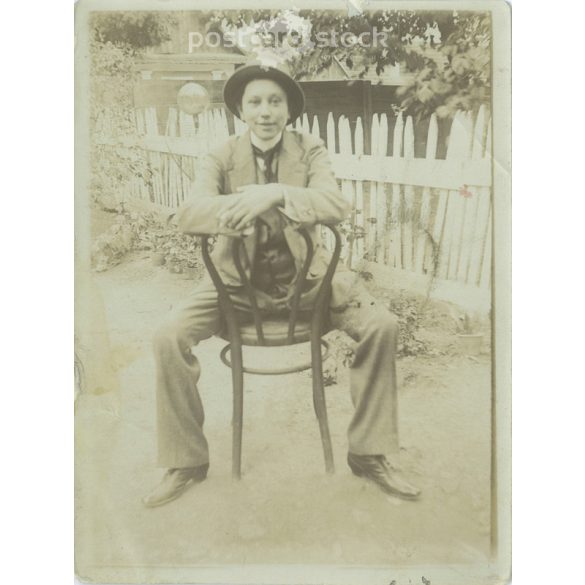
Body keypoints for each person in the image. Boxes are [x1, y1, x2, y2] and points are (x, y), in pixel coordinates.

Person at [143, 62, 421, 508]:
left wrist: (275, 194)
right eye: (255, 101)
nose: (266, 111)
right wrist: (240, 203)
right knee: (167, 335)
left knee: (382, 325)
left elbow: (335, 203)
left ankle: (369, 453)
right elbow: (188, 213)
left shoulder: (309, 150)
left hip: (309, 283)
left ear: (289, 108)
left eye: (276, 101)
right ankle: (185, 461)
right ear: (240, 108)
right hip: (233, 286)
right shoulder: (220, 156)